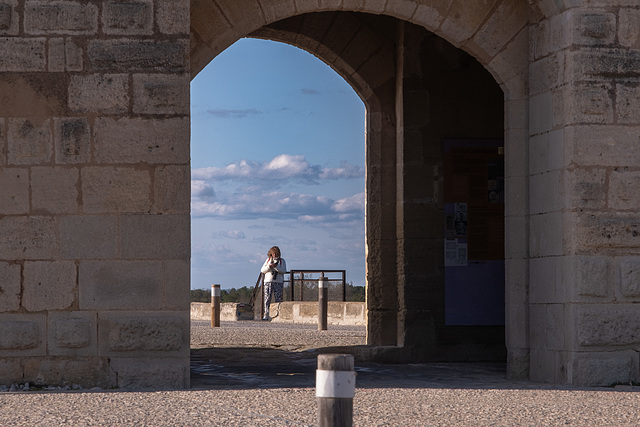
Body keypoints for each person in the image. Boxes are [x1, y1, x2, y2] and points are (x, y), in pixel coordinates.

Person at [260, 246, 287, 321]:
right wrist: (269, 266)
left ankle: (277, 314)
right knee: (267, 298)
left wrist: (276, 267)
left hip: (278, 282)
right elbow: (262, 270)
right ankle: (266, 314)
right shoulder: (268, 260)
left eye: (276, 253)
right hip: (268, 282)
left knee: (278, 299)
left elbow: (283, 270)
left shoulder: (282, 261)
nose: (275, 254)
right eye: (273, 253)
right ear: (271, 253)